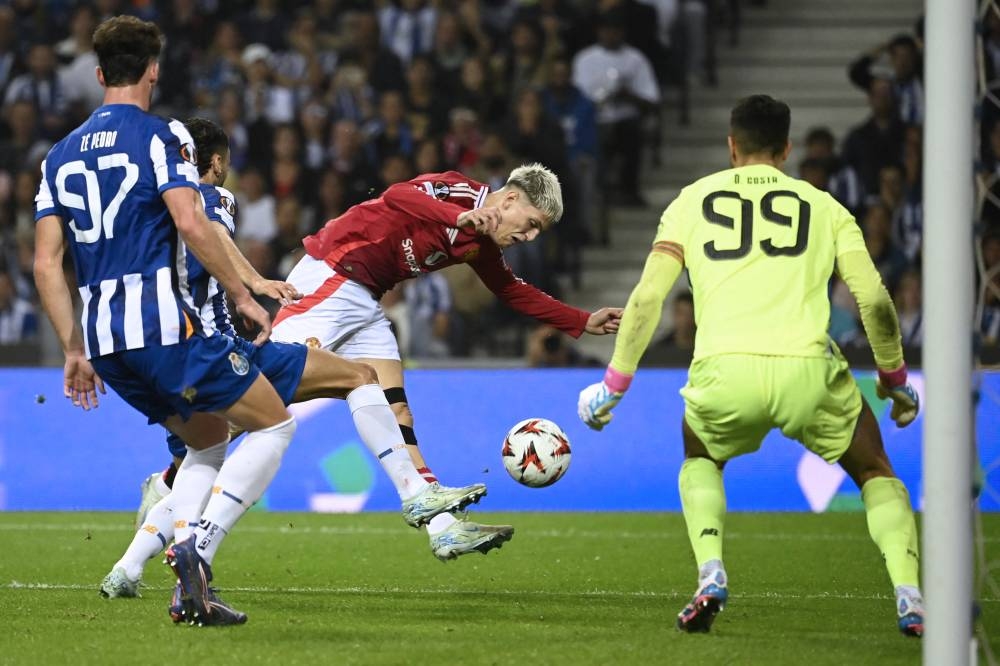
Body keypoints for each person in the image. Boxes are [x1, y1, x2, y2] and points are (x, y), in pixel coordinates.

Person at [101, 118, 495, 602]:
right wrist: (252, 285)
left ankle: (128, 565)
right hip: (220, 352)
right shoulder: (212, 199)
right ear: (217, 162)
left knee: (210, 449)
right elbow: (210, 234)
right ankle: (195, 543)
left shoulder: (145, 208)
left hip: (155, 352)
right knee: (337, 389)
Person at [577, 95, 924, 637]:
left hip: (724, 372)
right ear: (786, 148)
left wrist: (613, 386)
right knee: (875, 469)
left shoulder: (690, 202)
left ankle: (710, 571)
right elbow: (876, 301)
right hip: (808, 372)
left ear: (731, 145)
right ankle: (909, 592)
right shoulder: (826, 207)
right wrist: (895, 381)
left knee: (700, 457)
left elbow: (647, 299)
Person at [33, 15, 295, 626]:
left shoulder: (56, 157)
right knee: (276, 425)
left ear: (99, 75)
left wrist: (72, 348)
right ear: (154, 69)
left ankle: (189, 586)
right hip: (162, 328)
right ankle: (196, 549)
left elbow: (47, 262)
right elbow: (191, 222)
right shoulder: (163, 135)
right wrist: (247, 291)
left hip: (103, 343)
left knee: (207, 439)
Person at [270, 163, 623, 548]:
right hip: (334, 273)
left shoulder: (484, 244)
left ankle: (442, 527)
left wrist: (582, 320)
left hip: (367, 298)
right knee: (264, 388)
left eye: (539, 231)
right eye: (532, 222)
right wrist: (460, 217)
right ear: (509, 199)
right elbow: (398, 196)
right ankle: (196, 443)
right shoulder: (459, 192)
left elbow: (511, 290)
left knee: (397, 410)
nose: (532, 236)